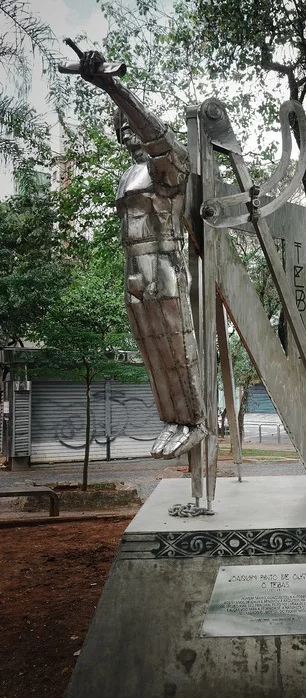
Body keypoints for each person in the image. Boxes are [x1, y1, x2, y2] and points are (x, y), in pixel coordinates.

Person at [74, 48, 207, 459]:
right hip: (133, 263)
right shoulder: (126, 174)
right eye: (121, 127)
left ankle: (195, 419)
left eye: (130, 122)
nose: (127, 131)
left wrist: (112, 86)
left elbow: (159, 140)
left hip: (164, 259)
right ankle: (173, 419)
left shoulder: (167, 166)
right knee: (149, 344)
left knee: (175, 341)